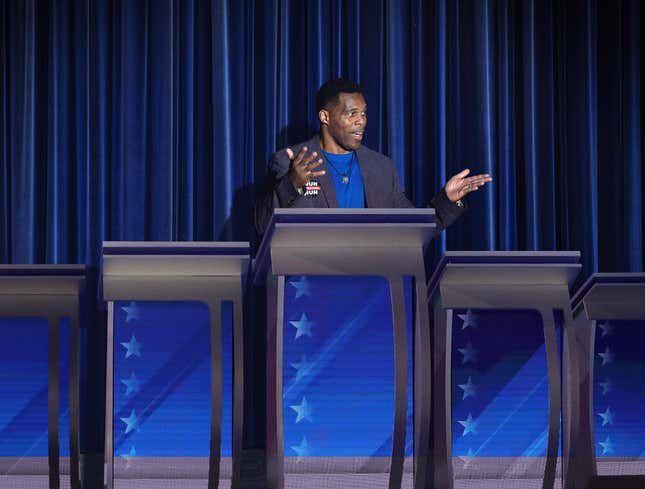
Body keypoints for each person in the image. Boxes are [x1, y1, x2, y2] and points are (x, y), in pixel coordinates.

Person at [254, 79, 492, 236]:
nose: (362, 121)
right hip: (311, 295)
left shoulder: (381, 167)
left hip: (371, 293)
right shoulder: (290, 161)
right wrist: (291, 185)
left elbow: (410, 231)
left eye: (364, 113)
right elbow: (262, 227)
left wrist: (447, 200)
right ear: (325, 117)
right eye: (352, 114)